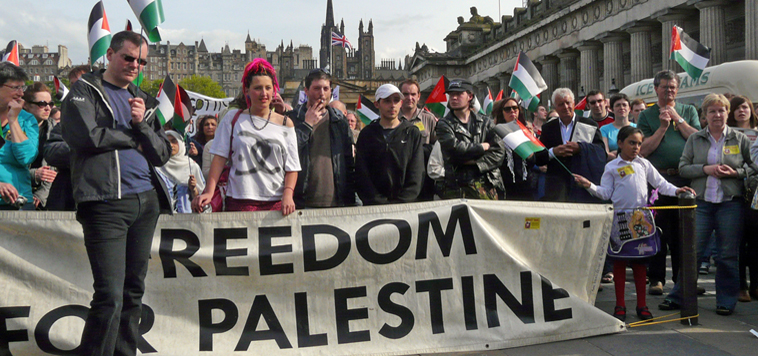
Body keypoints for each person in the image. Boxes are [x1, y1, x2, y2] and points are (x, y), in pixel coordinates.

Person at [61, 31, 172, 355]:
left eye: (140, 61)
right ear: (109, 55)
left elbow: (162, 152)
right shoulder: (85, 90)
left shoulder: (141, 98)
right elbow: (86, 137)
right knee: (109, 294)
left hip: (145, 202)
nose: (135, 65)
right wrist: (133, 137)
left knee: (133, 291)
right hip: (105, 202)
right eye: (128, 58)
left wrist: (140, 126)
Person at [574, 126, 695, 321]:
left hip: (641, 220)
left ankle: (642, 305)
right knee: (620, 263)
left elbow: (661, 184)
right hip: (620, 220)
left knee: (640, 263)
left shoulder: (644, 164)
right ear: (620, 143)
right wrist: (590, 185)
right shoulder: (612, 167)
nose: (636, 147)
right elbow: (606, 193)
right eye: (632, 143)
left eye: (639, 143)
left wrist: (677, 190)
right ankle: (620, 305)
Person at [659, 93, 758, 316]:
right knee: (692, 251)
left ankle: (725, 300)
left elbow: (753, 167)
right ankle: (678, 295)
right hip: (702, 203)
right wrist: (705, 169)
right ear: (704, 115)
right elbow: (683, 168)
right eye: (712, 111)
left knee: (727, 254)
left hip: (730, 204)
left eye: (721, 110)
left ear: (727, 113)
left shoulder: (739, 138)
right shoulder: (695, 139)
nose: (717, 115)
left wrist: (735, 172)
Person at [193, 58, 299, 214]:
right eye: (258, 88)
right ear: (247, 91)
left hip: (275, 203)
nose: (264, 94)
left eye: (268, 88)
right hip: (238, 200)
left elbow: (292, 167)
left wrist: (288, 195)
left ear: (274, 90)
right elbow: (219, 158)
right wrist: (209, 191)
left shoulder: (286, 124)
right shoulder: (232, 118)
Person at [637, 70, 701, 296]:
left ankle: (682, 280)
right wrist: (663, 127)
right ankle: (656, 279)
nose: (669, 91)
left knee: (684, 232)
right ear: (656, 89)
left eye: (673, 87)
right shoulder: (646, 116)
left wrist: (678, 119)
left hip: (685, 178)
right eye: (665, 87)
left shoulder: (688, 110)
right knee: (658, 230)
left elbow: (697, 138)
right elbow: (643, 150)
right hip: (659, 179)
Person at [288, 69, 355, 208]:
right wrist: (307, 125)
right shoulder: (293, 118)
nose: (322, 93)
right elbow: (288, 153)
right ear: (306, 91)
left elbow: (348, 161)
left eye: (326, 88)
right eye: (317, 88)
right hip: (302, 200)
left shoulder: (339, 120)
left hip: (336, 200)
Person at [355, 84, 424, 205]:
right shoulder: (367, 134)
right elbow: (362, 174)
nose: (392, 105)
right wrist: (376, 201)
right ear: (377, 104)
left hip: (405, 206)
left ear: (401, 103)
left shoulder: (412, 133)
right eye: (387, 101)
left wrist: (402, 201)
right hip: (373, 207)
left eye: (396, 100)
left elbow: (416, 173)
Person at [533, 88, 606, 202]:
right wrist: (553, 152)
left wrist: (581, 148)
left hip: (582, 185)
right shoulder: (548, 128)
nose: (566, 107)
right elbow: (538, 158)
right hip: (556, 188)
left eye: (568, 103)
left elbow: (601, 152)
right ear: (555, 107)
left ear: (573, 103)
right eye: (561, 104)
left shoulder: (589, 124)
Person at [435, 78, 504, 199]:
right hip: (458, 187)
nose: (454, 98)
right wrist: (481, 147)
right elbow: (454, 149)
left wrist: (476, 163)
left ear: (470, 96)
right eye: (451, 95)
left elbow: (499, 153)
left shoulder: (485, 122)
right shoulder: (444, 124)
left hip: (487, 186)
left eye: (458, 94)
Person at [728, 95, 758, 302]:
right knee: (738, 243)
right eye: (737, 108)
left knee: (755, 242)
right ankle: (741, 286)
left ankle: (756, 284)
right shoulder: (728, 135)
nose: (741, 111)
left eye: (745, 107)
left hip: (755, 195)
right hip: (735, 192)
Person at [0, 62, 37, 210]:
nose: (21, 93)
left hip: (19, 202)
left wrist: (13, 120)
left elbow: (26, 157)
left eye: (23, 87)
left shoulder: (27, 119)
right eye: (16, 88)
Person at [399, 79, 438, 201]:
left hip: (423, 179)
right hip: (399, 178)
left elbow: (437, 149)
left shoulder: (429, 119)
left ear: (419, 96)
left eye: (413, 94)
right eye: (405, 94)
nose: (409, 98)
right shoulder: (393, 118)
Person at [22, 82, 58, 209]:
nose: (48, 108)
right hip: (16, 192)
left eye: (50, 104)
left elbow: (54, 170)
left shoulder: (56, 129)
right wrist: (33, 174)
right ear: (26, 105)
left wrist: (41, 194)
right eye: (42, 104)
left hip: (46, 198)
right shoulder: (13, 127)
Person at [492, 97, 535, 200]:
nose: (512, 111)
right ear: (501, 112)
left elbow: (533, 160)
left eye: (515, 108)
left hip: (525, 185)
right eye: (507, 109)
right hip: (504, 185)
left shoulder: (525, 131)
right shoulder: (495, 132)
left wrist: (531, 140)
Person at [159, 130, 205, 213]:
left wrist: (193, 188)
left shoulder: (192, 166)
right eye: (166, 141)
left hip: (187, 219)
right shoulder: (158, 166)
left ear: (181, 143)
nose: (170, 145)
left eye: (174, 141)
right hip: (163, 218)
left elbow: (201, 197)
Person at [600, 93, 637, 162]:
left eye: (624, 105)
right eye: (618, 105)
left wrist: (616, 153)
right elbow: (605, 154)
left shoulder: (637, 128)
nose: (621, 108)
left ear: (629, 108)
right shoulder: (604, 129)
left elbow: (642, 151)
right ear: (612, 109)